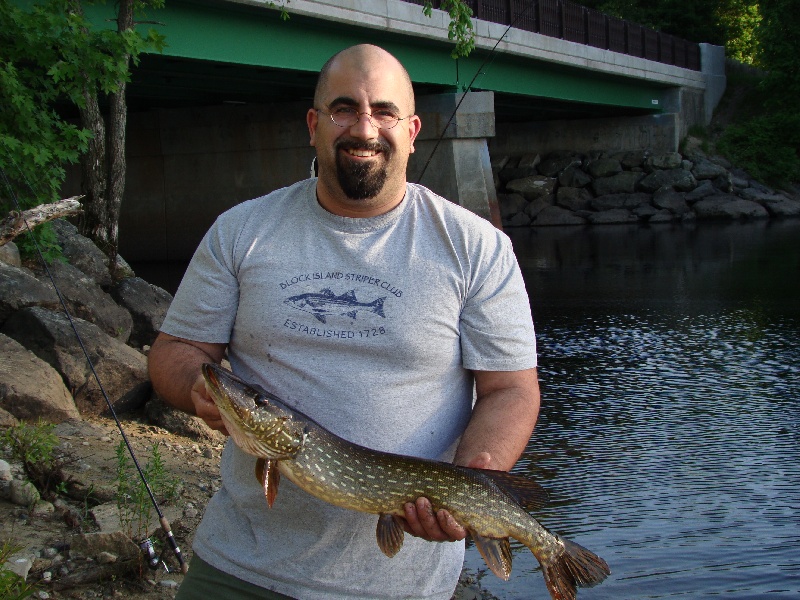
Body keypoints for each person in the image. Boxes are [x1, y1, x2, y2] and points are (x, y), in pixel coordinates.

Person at [148, 44, 540, 600]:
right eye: (343, 109)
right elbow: (175, 350)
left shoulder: (476, 248)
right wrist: (196, 387)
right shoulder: (242, 232)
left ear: (412, 129)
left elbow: (511, 390)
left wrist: (476, 475)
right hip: (239, 566)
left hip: (403, 587)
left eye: (384, 111)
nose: (364, 128)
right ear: (313, 124)